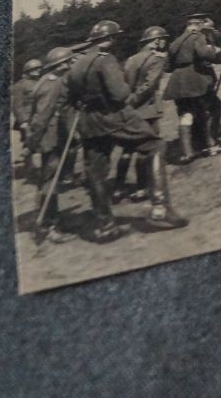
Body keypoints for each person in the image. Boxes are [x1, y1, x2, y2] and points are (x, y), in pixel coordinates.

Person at [66, 20, 187, 241]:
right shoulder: (106, 60)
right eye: (114, 37)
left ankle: (105, 225)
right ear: (109, 39)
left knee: (95, 172)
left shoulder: (77, 63)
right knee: (156, 146)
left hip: (89, 121)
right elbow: (120, 93)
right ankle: (160, 207)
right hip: (114, 116)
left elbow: (71, 97)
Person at [23, 47, 76, 243]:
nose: (71, 65)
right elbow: (41, 118)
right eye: (69, 62)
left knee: (48, 180)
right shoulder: (51, 84)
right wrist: (32, 144)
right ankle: (50, 226)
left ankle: (49, 220)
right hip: (49, 138)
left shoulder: (47, 80)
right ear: (61, 65)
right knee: (50, 181)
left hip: (50, 136)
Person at [113, 25, 168, 199]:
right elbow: (149, 86)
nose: (163, 43)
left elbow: (125, 82)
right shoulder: (156, 59)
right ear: (156, 41)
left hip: (131, 110)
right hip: (148, 109)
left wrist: (129, 102)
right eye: (162, 39)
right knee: (147, 149)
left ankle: (118, 188)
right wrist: (135, 99)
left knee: (128, 149)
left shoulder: (131, 59)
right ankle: (142, 188)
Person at [165, 12, 221, 162]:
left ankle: (187, 152)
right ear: (198, 24)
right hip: (195, 80)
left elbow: (167, 66)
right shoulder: (197, 36)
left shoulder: (176, 41)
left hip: (178, 82)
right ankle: (211, 145)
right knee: (213, 108)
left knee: (186, 114)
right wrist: (215, 50)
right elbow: (204, 54)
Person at [11, 57, 43, 160]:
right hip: (28, 119)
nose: (38, 70)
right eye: (35, 69)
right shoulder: (20, 85)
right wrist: (23, 121)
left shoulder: (40, 82)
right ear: (28, 71)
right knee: (28, 145)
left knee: (41, 144)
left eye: (39, 68)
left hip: (39, 117)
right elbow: (17, 105)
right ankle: (30, 171)